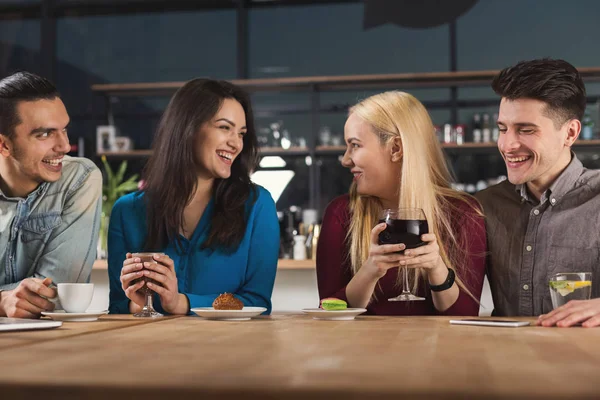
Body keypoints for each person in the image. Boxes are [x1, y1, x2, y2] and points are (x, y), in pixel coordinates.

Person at [108, 78, 280, 315]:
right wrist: (139, 301)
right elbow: (118, 305)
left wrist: (179, 303)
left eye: (241, 133)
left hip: (233, 348)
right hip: (150, 349)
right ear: (188, 128)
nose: (236, 143)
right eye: (224, 127)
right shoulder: (126, 212)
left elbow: (258, 302)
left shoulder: (257, 206)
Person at [317, 91, 486, 315]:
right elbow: (328, 309)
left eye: (355, 145)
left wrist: (436, 268)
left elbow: (465, 316)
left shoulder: (463, 213)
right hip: (361, 349)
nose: (345, 159)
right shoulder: (341, 213)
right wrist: (370, 271)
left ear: (396, 149)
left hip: (440, 350)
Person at [475, 58, 600, 327]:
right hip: (504, 363)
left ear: (570, 132)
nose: (508, 145)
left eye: (526, 130)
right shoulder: (484, 205)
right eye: (502, 129)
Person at [0, 71, 102, 318]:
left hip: (50, 345)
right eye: (45, 134)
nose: (64, 146)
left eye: (64, 130)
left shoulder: (79, 178)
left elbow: (58, 293)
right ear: (4, 145)